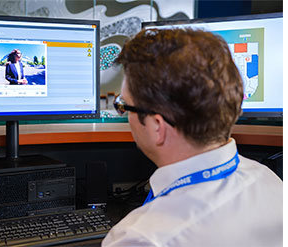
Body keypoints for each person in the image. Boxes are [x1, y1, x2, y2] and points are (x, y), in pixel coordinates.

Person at [102, 28, 282, 247]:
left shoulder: (139, 238)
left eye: (123, 106)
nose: (124, 114)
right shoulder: (270, 181)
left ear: (157, 126)